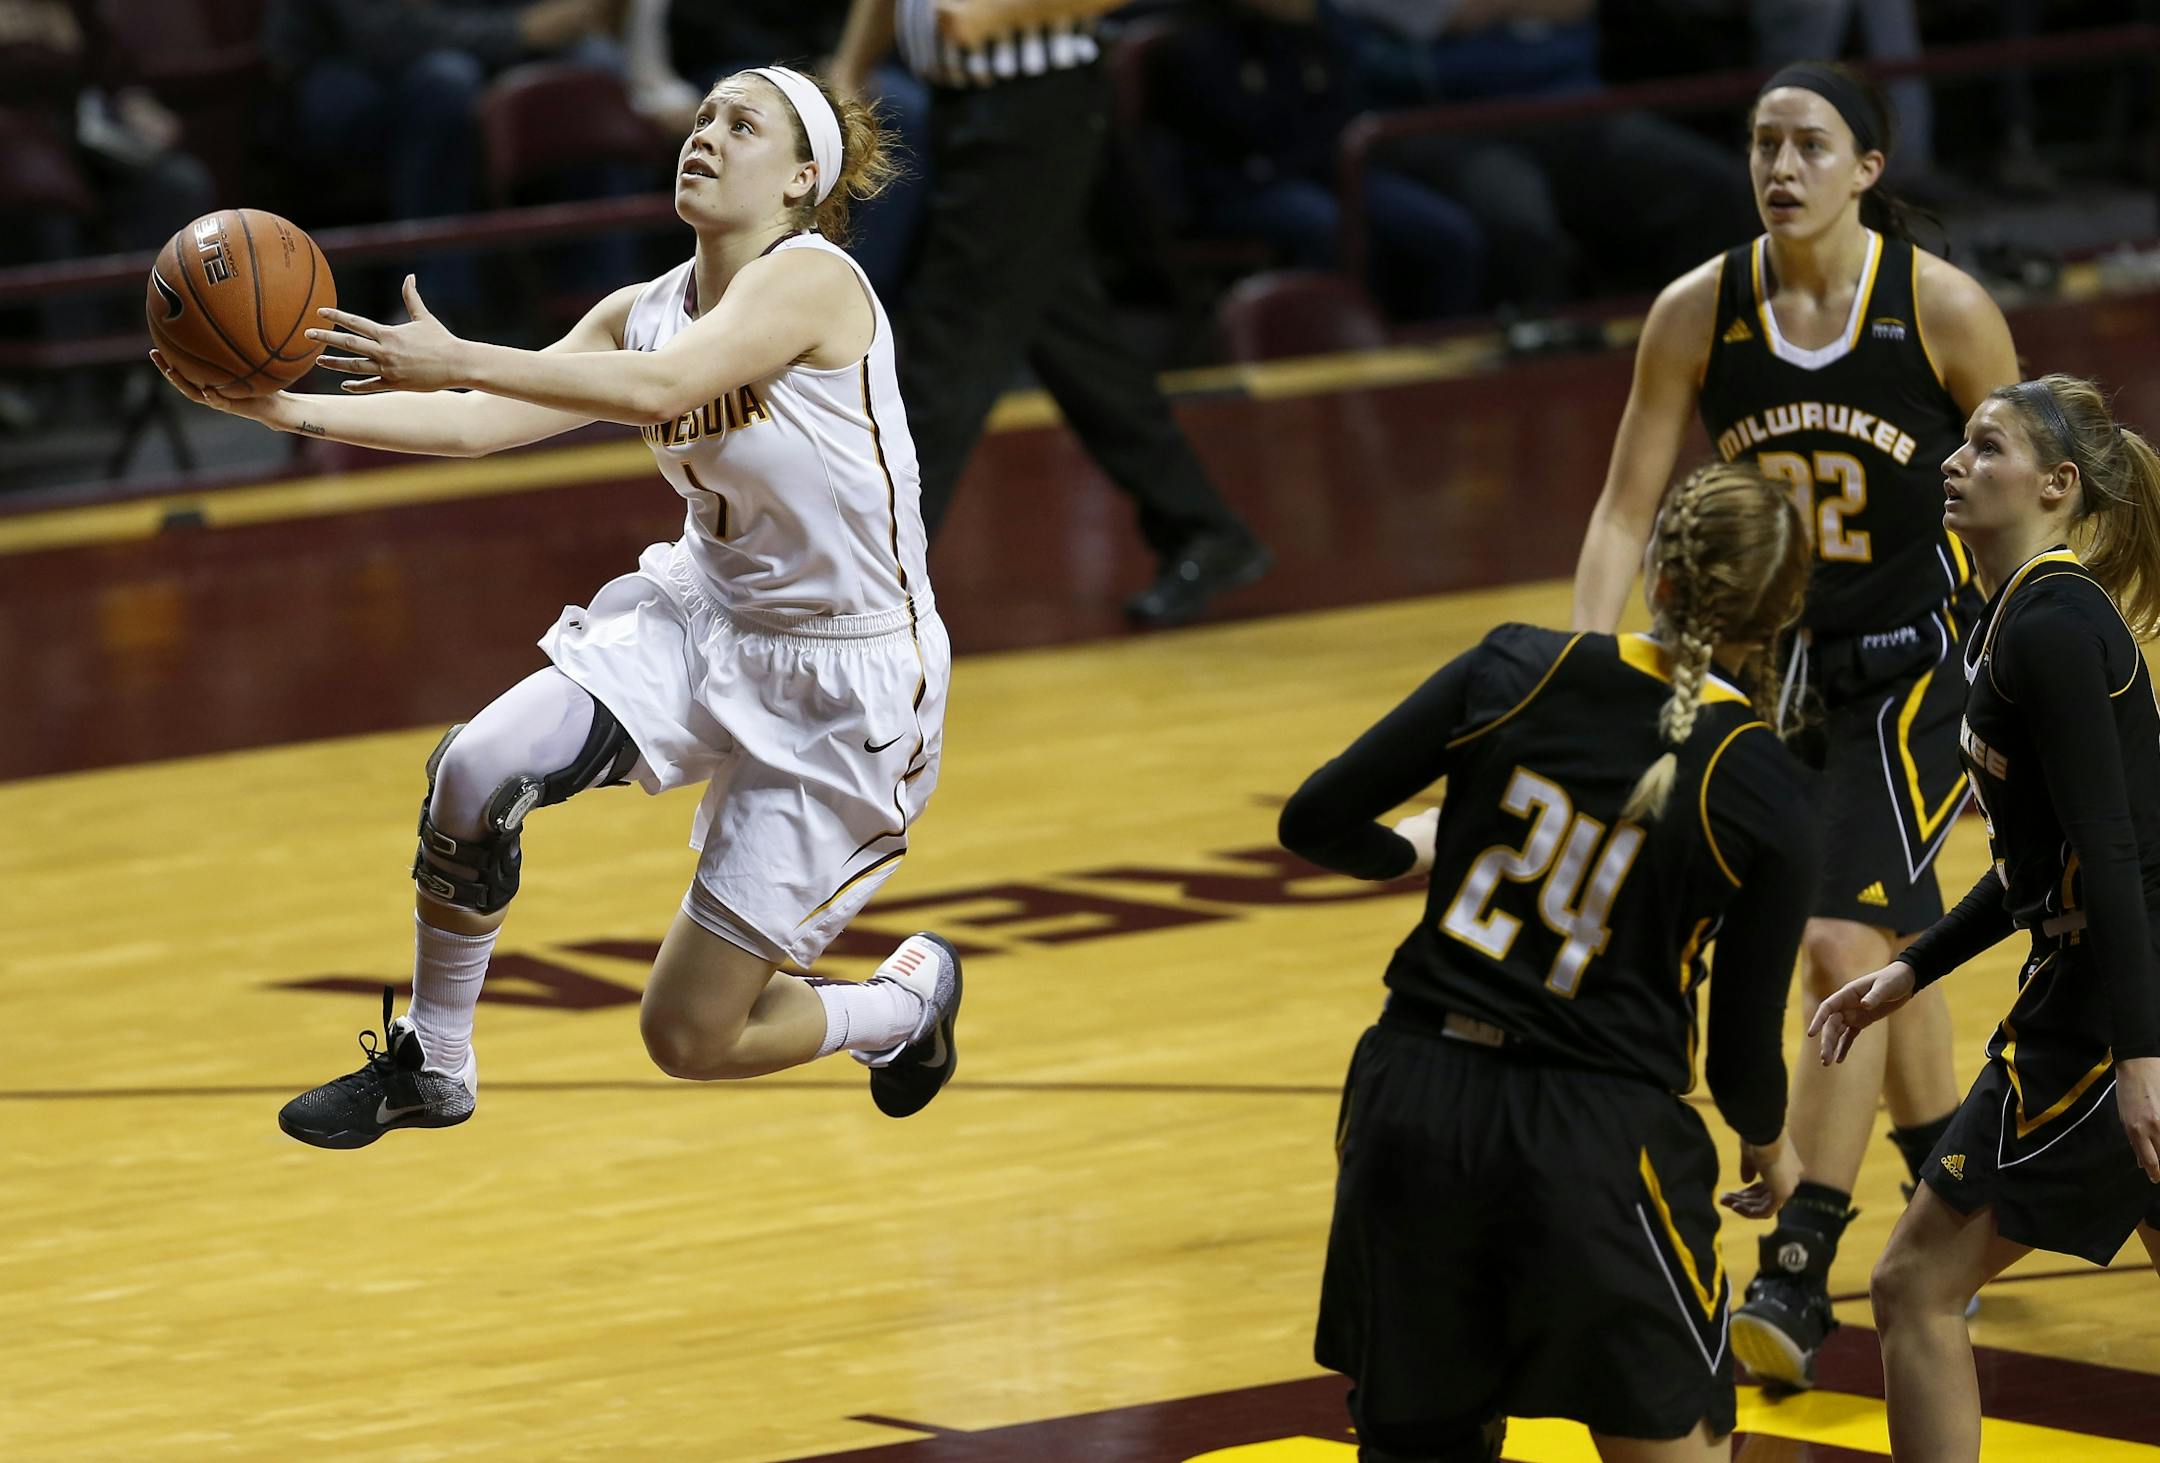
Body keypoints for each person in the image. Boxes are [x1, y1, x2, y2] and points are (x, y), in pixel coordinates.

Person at [150, 66, 963, 1145]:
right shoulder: (642, 309)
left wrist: (455, 355)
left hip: (847, 680)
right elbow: (478, 423)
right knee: (476, 767)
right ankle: (435, 1062)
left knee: (688, 1036)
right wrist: (282, 409)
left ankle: (902, 1006)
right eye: (704, 115)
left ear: (801, 180)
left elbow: (661, 389)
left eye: (743, 125)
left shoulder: (816, 280)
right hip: (705, 616)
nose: (706, 134)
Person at [1568, 60, 2020, 1389]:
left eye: (1811, 144)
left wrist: (2035, 675)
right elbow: (1623, 506)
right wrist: (1588, 669)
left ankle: (1798, 1262)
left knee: (1835, 938)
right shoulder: (1697, 311)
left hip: (1920, 666)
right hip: (1775, 672)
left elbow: (2034, 501)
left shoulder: (1941, 306)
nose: (1781, 166)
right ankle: (1950, 1184)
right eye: (1764, 143)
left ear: (1868, 168)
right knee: (1876, 932)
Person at [1282, 462, 1818, 1462]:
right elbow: (1742, 1051)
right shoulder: (1763, 780)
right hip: (1594, 1138)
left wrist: (1410, 848)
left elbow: (1313, 818)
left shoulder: (1513, 665)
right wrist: (1770, 1144)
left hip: (1414, 1098)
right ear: (1782, 615)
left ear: (1657, 571)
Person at [1810, 376, 2160, 1463]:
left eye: (1987, 446)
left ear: (2057, 485)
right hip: (2114, 976)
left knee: (1912, 1284)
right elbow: (2038, 863)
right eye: (1961, 442)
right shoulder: (2014, 614)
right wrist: (1913, 968)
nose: (1955, 462)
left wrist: (2142, 1054)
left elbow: (2112, 850)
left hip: (2108, 1002)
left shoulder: (2052, 624)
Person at [830, 0, 1272, 628]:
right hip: (961, 105)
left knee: (950, 344)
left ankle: (866, 581)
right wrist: (851, 65)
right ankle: (1205, 529)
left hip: (1031, 105)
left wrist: (1004, 12)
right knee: (1069, 339)